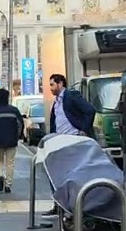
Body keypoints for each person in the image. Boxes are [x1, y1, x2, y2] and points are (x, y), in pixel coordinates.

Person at [41, 73, 98, 215]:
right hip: (60, 142)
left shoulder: (71, 96)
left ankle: (75, 206)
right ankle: (59, 206)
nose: (50, 88)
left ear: (60, 84)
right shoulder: (56, 102)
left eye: (52, 85)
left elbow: (90, 110)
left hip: (74, 142)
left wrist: (84, 130)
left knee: (74, 175)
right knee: (56, 174)